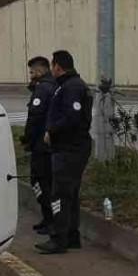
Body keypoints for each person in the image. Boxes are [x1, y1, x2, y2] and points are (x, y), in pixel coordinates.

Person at [36, 50, 93, 255]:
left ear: (58, 67)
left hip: (70, 148)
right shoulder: (69, 86)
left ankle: (58, 238)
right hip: (70, 148)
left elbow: (73, 117)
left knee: (59, 194)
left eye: (52, 66)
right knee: (69, 194)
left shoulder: (71, 87)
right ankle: (70, 236)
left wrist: (52, 131)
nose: (52, 70)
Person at [22, 56, 57, 233]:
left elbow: (35, 117)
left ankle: (51, 221)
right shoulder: (50, 85)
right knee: (44, 182)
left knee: (41, 182)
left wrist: (27, 139)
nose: (30, 75)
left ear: (40, 70)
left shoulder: (43, 88)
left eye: (32, 72)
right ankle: (48, 218)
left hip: (41, 146)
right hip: (46, 144)